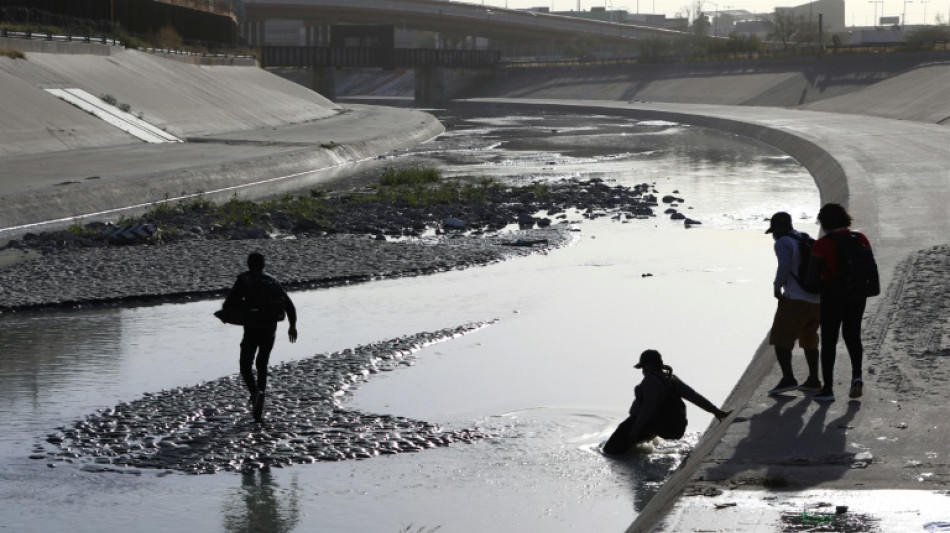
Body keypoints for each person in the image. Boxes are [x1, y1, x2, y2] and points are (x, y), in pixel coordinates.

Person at [805, 203, 878, 403]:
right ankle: (857, 376)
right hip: (857, 294)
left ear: (824, 222)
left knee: (829, 340)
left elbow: (811, 280)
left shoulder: (822, 244)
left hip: (832, 296)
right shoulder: (860, 237)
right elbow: (869, 263)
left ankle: (827, 389)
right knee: (853, 335)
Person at [603, 349, 731, 455]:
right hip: (657, 427)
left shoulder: (650, 381)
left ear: (648, 366)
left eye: (642, 367)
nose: (642, 371)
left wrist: (634, 431)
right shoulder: (671, 378)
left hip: (641, 425)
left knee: (609, 452)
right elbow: (694, 397)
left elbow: (646, 410)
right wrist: (716, 411)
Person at [222, 252, 298, 418]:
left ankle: (255, 393)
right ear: (264, 265)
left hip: (252, 327)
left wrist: (230, 313)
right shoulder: (273, 281)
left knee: (245, 365)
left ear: (248, 264)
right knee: (262, 363)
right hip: (270, 328)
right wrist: (292, 326)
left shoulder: (244, 280)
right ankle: (260, 397)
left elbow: (229, 303)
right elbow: (290, 305)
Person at [764, 212, 821, 395]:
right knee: (810, 338)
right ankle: (813, 379)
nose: (774, 234)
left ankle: (788, 379)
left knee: (781, 339)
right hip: (816, 299)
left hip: (795, 299)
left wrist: (776, 287)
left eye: (774, 230)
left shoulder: (782, 243)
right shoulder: (804, 237)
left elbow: (784, 266)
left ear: (780, 227)